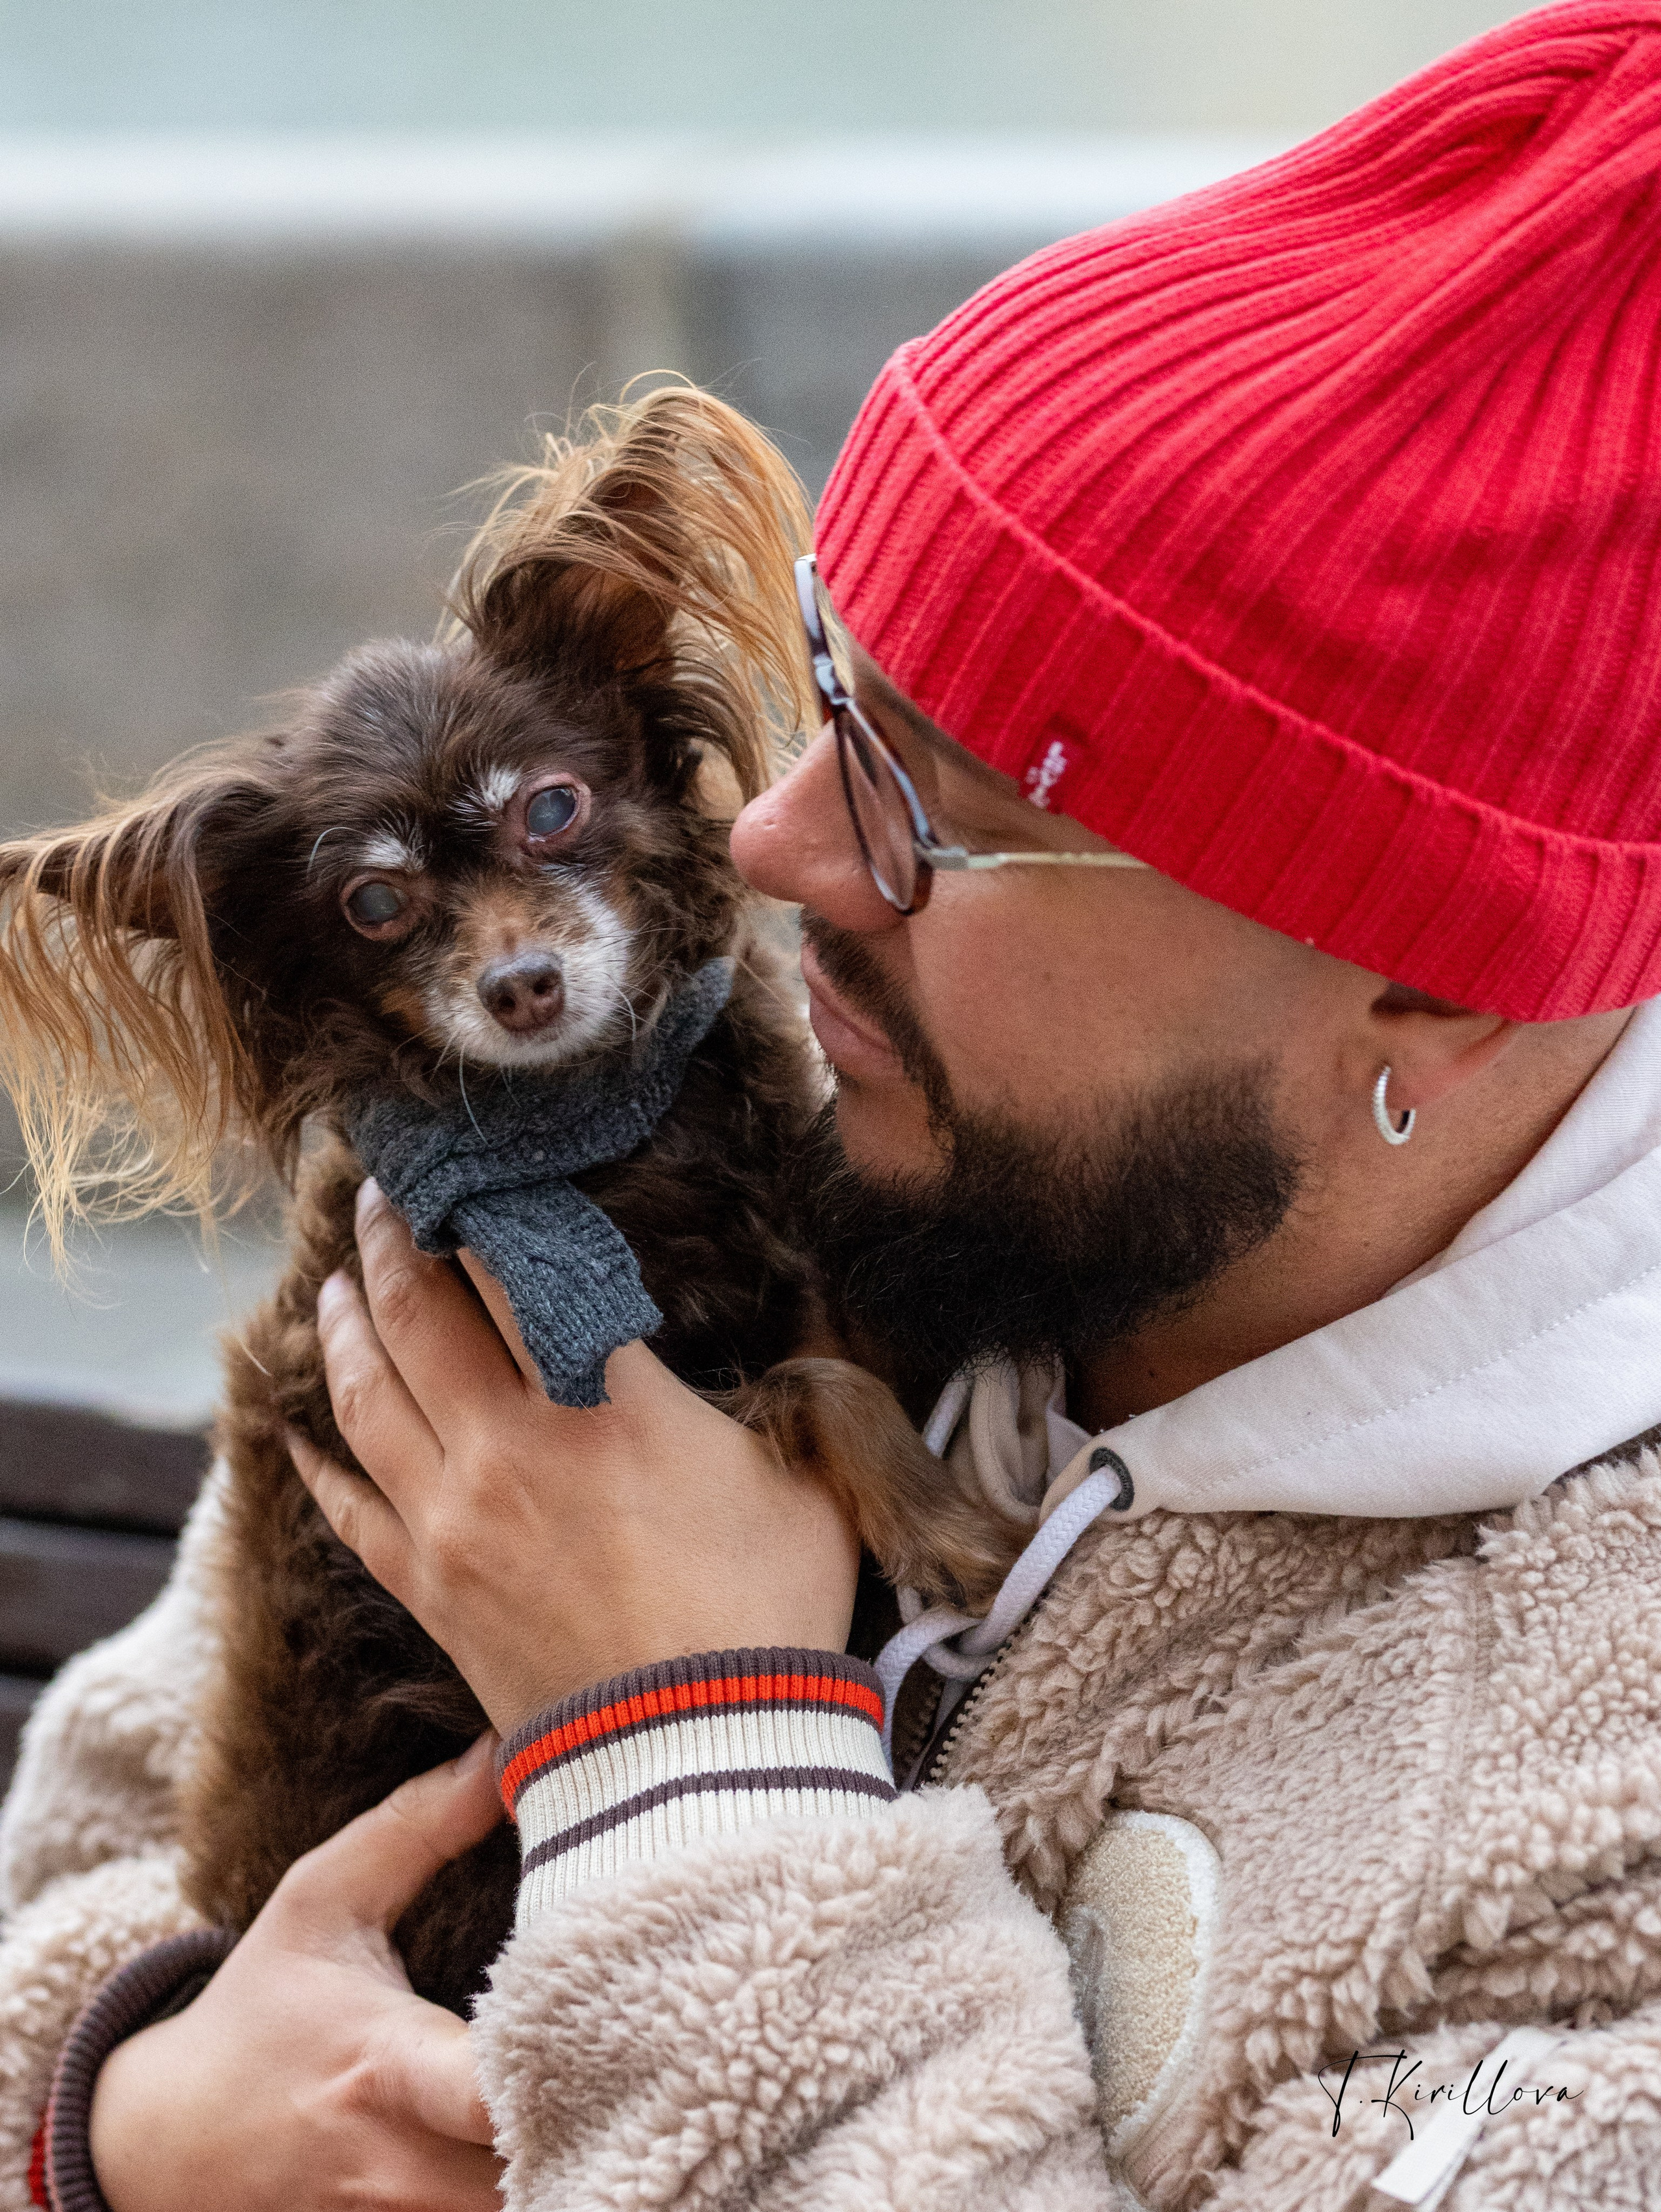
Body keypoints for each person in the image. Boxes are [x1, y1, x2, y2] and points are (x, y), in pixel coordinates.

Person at [9, 3, 1661, 2206]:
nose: (775, 848)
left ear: (1426, 981)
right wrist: (128, 2118)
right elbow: (105, 1826)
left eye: (940, 806)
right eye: (825, 700)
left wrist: (697, 1757)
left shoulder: (1595, 1772)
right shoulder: (721, 1180)